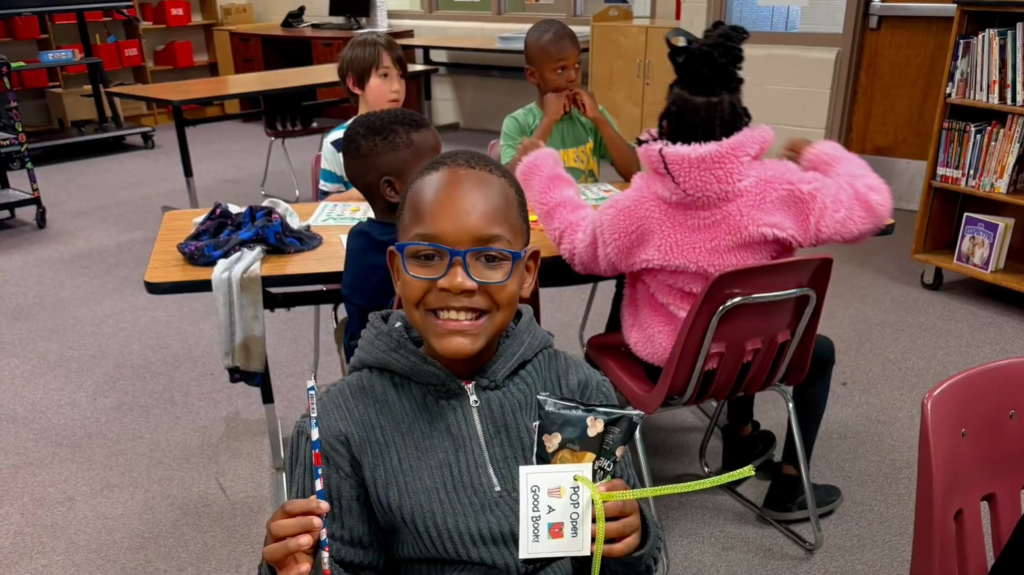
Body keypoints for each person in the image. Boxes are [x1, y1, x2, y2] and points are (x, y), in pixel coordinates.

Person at [515, 22, 893, 522]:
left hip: (672, 367)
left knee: (653, 312)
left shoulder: (645, 203)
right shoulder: (782, 189)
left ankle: (740, 439)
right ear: (741, 119)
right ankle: (786, 482)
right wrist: (824, 157)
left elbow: (584, 250)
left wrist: (542, 172)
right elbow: (871, 206)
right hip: (760, 359)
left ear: (668, 122)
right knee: (815, 350)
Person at [260, 151, 664, 575]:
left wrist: (631, 541)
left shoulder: (582, 394)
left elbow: (619, 559)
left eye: (490, 259)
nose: (457, 281)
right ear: (397, 271)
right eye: (427, 257)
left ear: (526, 273)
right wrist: (294, 567)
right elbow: (334, 563)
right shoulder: (336, 425)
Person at [338, 108, 442, 361]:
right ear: (393, 189)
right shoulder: (448, 240)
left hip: (377, 372)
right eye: (435, 169)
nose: (447, 175)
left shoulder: (359, 240)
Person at [501, 19, 640, 183]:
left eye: (577, 64)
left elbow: (634, 172)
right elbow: (508, 186)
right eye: (561, 69)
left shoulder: (591, 117)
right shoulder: (518, 123)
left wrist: (599, 119)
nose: (573, 76)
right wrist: (548, 120)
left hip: (584, 208)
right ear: (533, 75)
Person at [317, 32, 408, 201]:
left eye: (401, 76)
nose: (397, 87)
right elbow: (324, 204)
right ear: (355, 83)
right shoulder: (338, 142)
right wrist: (361, 195)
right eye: (384, 76)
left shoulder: (416, 136)